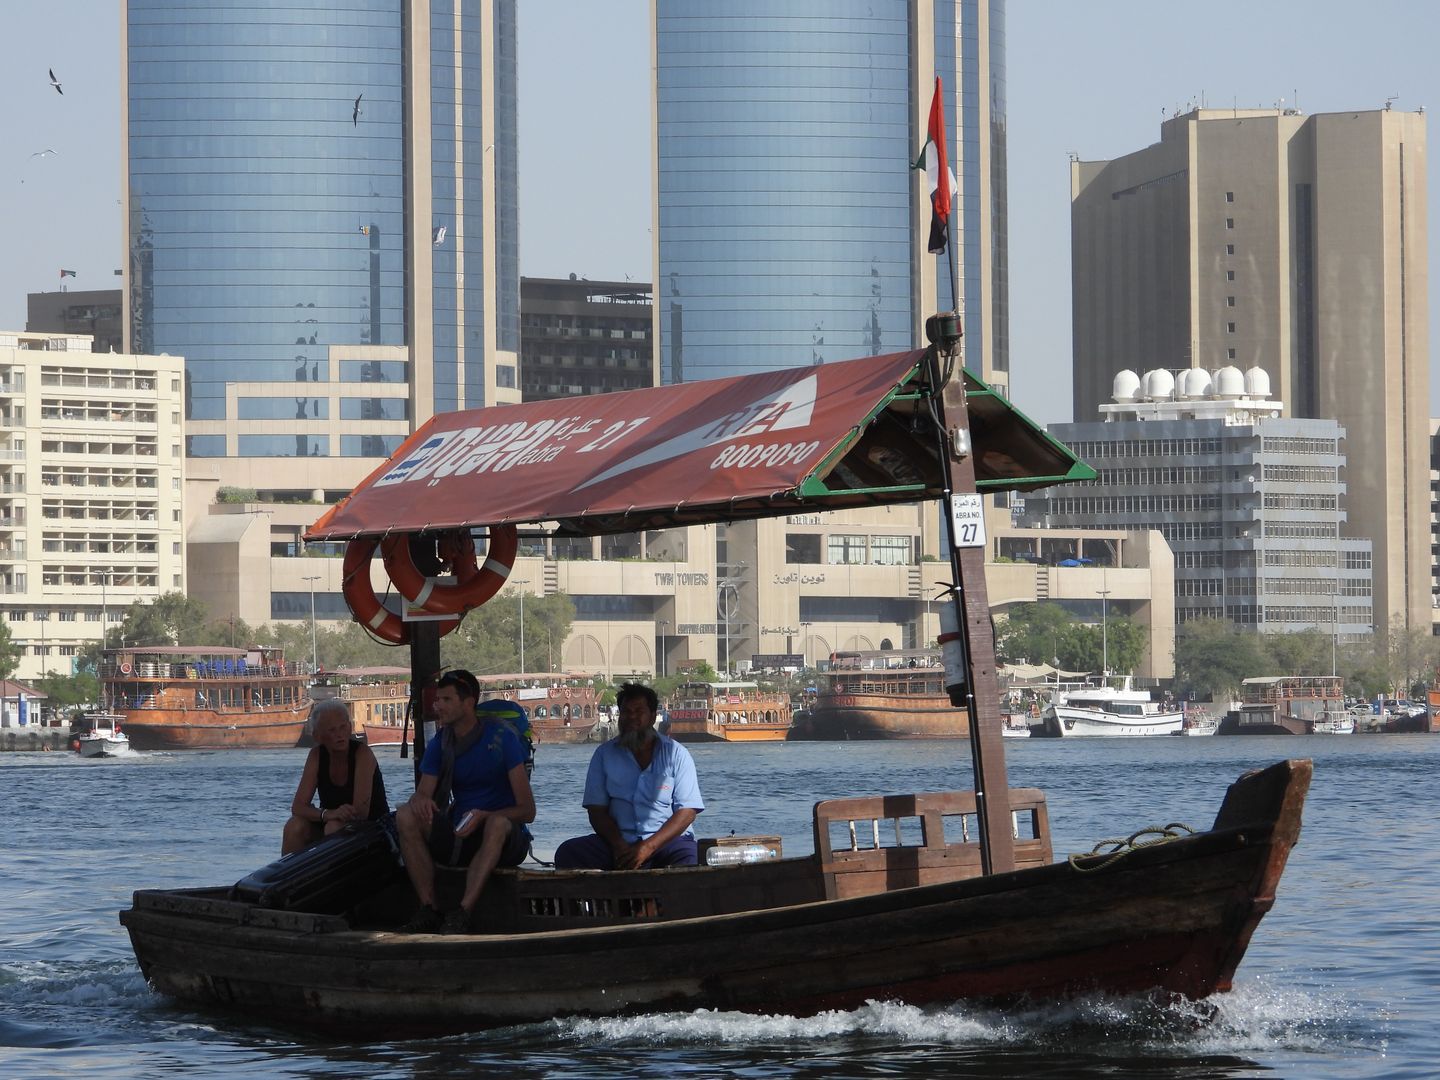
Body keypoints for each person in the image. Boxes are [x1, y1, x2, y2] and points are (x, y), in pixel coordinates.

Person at [395, 669, 536, 934]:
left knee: (496, 823)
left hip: (504, 838)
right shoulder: (442, 741)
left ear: (468, 703)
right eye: (438, 700)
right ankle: (430, 909)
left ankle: (463, 912)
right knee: (405, 816)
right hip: (463, 832)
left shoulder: (501, 739)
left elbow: (528, 811)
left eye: (447, 700)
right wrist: (419, 801)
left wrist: (483, 816)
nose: (439, 706)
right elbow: (423, 792)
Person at [555, 682, 704, 870]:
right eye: (626, 712)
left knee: (691, 859)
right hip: (619, 842)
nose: (631, 717)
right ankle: (608, 899)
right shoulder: (604, 754)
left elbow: (687, 812)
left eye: (639, 711)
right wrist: (619, 846)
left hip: (666, 843)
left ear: (652, 717)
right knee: (568, 853)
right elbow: (596, 811)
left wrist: (647, 847)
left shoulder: (677, 754)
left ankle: (656, 900)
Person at [281, 699, 389, 855]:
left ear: (350, 728)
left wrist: (332, 816)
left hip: (372, 829)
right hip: (331, 823)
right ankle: (287, 877)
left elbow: (360, 812)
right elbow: (298, 807)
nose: (339, 735)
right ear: (318, 736)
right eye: (331, 730)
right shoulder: (316, 756)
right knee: (294, 826)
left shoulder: (362, 754)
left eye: (343, 727)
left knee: (333, 828)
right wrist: (327, 814)